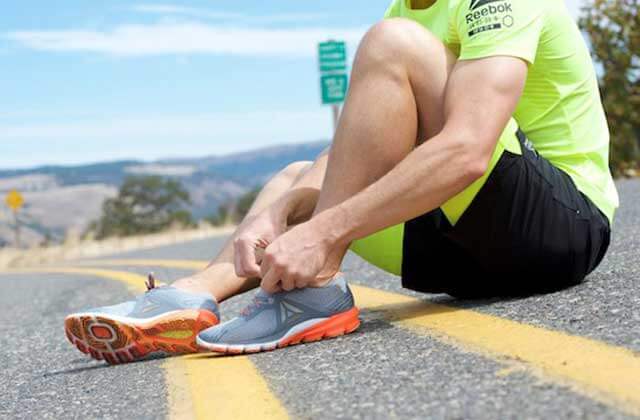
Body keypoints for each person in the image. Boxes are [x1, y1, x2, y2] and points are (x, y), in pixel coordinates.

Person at [65, 0, 618, 363]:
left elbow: (468, 150)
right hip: (460, 260)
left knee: (392, 43)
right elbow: (368, 143)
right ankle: (190, 301)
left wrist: (323, 234)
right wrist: (276, 213)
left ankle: (317, 289)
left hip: (559, 230)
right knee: (291, 181)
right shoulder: (408, 8)